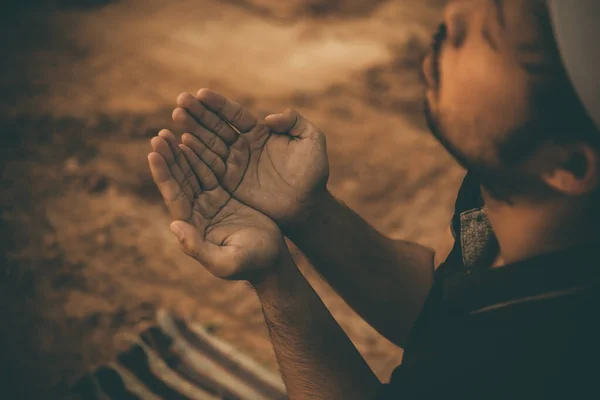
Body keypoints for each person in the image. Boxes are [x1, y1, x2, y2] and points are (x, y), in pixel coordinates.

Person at [147, 0, 600, 398]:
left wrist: (274, 279)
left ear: (570, 166)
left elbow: (471, 350)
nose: (448, 20)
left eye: (486, 36)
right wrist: (309, 211)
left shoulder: (539, 358)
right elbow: (438, 311)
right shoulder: (521, 190)